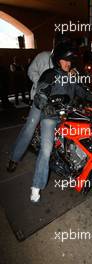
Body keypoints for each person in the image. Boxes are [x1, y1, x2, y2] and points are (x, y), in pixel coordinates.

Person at [30, 43, 92, 203]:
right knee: (46, 149)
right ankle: (36, 186)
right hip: (51, 116)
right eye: (64, 60)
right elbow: (40, 94)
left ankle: (81, 164)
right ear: (57, 60)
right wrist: (46, 105)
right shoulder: (50, 74)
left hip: (70, 113)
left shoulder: (72, 75)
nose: (68, 63)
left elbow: (84, 92)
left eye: (70, 60)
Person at [7, 33, 71, 173]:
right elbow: (31, 71)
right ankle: (14, 158)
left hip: (57, 103)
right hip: (40, 100)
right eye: (61, 43)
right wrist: (43, 85)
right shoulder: (43, 56)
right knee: (29, 128)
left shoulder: (67, 62)